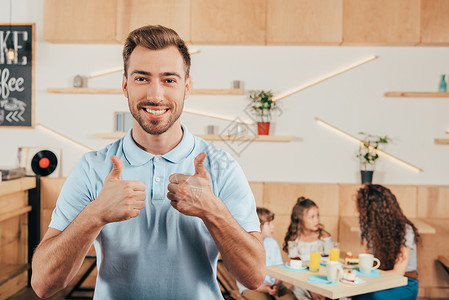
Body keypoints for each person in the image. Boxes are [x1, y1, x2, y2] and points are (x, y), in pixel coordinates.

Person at [30, 25, 265, 299]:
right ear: (125, 85)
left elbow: (254, 277)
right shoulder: (93, 167)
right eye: (142, 78)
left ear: (186, 87)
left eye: (169, 80)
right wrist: (95, 214)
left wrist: (212, 210)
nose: (155, 95)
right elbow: (43, 284)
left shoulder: (221, 167)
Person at [352, 184, 420, 300]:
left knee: (375, 297)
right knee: (356, 294)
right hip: (381, 279)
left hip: (406, 282)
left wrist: (367, 277)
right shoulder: (370, 229)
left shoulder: (405, 230)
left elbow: (398, 272)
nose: (361, 213)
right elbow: (371, 262)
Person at [237, 207, 296, 300]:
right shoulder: (244, 245)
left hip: (275, 285)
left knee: (290, 298)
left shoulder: (272, 243)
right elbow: (240, 277)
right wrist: (261, 288)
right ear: (257, 225)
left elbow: (280, 269)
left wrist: (277, 284)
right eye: (268, 224)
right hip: (253, 288)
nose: (273, 226)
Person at [282, 197, 334, 300]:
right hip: (302, 284)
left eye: (317, 216)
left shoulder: (324, 237)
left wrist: (320, 288)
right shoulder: (294, 239)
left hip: (323, 281)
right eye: (312, 217)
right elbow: (297, 269)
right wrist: (310, 289)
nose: (317, 220)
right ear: (300, 219)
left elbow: (330, 265)